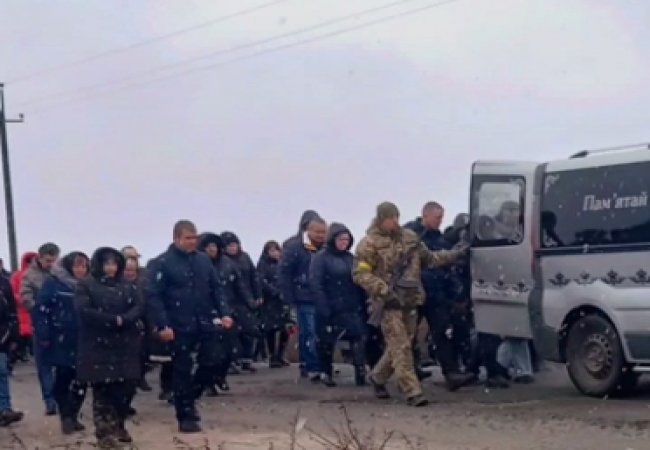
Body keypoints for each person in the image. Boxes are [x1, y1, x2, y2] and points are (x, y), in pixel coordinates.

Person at [353, 202, 466, 407]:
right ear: (381, 219)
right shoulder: (368, 244)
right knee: (402, 347)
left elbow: (430, 259)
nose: (395, 222)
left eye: (396, 217)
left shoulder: (410, 238)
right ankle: (412, 391)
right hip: (388, 303)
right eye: (390, 218)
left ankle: (378, 377)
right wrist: (382, 290)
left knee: (400, 344)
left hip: (411, 300)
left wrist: (455, 254)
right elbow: (361, 274)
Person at [148, 220, 233, 433]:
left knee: (214, 360)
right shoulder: (162, 263)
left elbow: (216, 288)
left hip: (205, 321)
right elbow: (154, 296)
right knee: (182, 369)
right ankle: (185, 415)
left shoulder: (203, 261)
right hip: (178, 324)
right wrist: (163, 324)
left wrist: (224, 312)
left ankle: (190, 395)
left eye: (194, 237)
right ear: (177, 238)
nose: (192, 242)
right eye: (188, 238)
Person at [75, 247, 144, 448]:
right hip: (98, 345)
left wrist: (126, 319)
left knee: (125, 390)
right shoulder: (86, 285)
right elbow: (84, 311)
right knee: (103, 392)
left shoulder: (127, 286)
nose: (111, 268)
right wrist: (111, 320)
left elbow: (138, 306)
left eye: (114, 264)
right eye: (107, 264)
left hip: (125, 344)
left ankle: (119, 424)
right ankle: (104, 434)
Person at [404, 202, 474, 391]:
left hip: (435, 295)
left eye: (441, 218)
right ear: (425, 215)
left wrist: (453, 294)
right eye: (437, 217)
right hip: (413, 293)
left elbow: (445, 267)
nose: (440, 221)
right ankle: (409, 371)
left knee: (441, 332)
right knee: (408, 335)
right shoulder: (411, 236)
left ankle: (451, 373)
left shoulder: (440, 241)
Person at [33, 252, 90, 434]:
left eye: (84, 266)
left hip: (83, 338)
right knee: (63, 378)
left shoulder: (88, 285)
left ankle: (73, 414)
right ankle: (66, 415)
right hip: (61, 338)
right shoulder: (54, 283)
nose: (81, 270)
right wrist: (44, 334)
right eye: (77, 266)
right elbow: (41, 310)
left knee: (81, 380)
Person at [310, 223, 367, 387]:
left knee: (358, 338)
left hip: (351, 306)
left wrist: (363, 302)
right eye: (341, 239)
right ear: (333, 239)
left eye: (346, 239)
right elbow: (316, 284)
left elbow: (359, 280)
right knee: (326, 342)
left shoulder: (351, 258)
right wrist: (323, 307)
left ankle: (360, 372)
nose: (344, 242)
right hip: (330, 307)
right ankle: (326, 372)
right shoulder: (321, 258)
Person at [198, 232, 253, 393]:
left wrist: (249, 301)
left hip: (228, 310)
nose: (212, 249)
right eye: (208, 246)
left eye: (214, 246)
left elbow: (239, 285)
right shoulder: (199, 265)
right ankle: (209, 382)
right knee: (211, 352)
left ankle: (220, 376)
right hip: (207, 312)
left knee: (231, 349)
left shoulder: (227, 263)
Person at [279, 216, 327, 381]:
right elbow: (284, 273)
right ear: (309, 231)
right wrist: (289, 299)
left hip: (323, 297)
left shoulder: (327, 247)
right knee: (309, 332)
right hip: (304, 296)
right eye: (318, 232)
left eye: (324, 232)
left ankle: (318, 364)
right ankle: (312, 366)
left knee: (321, 332)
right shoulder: (295, 247)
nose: (321, 235)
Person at [20, 242, 60, 415]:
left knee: (61, 365)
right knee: (44, 366)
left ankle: (60, 397)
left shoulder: (59, 273)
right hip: (41, 325)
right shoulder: (30, 276)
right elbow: (25, 298)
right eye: (48, 260)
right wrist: (40, 309)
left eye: (53, 260)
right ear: (40, 257)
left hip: (60, 325)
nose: (50, 264)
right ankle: (50, 400)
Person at [220, 232, 262, 372]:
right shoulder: (223, 261)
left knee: (249, 330)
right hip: (229, 299)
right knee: (232, 333)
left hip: (245, 298)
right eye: (229, 245)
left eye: (234, 245)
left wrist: (257, 294)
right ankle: (232, 360)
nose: (232, 248)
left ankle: (246, 359)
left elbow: (254, 276)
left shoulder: (245, 258)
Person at [257, 241, 290, 369]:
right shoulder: (263, 264)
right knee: (270, 329)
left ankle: (280, 354)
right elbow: (261, 281)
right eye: (271, 251)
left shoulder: (283, 263)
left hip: (283, 300)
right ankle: (272, 356)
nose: (275, 253)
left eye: (276, 250)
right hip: (270, 301)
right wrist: (274, 291)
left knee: (286, 328)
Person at [123, 255, 153, 393]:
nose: (129, 273)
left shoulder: (144, 283)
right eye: (127, 270)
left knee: (143, 353)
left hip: (144, 321)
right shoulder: (118, 285)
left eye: (132, 270)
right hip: (125, 321)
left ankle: (140, 377)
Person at [0, 268, 23, 427]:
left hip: (2, 336)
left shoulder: (4, 283)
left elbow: (12, 312)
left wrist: (13, 334)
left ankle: (5, 409)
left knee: (1, 372)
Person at [10, 252, 37, 364]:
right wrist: (23, 300)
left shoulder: (39, 275)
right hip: (21, 310)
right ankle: (23, 352)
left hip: (31, 309)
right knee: (23, 333)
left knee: (31, 332)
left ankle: (28, 352)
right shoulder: (17, 276)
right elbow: (12, 292)